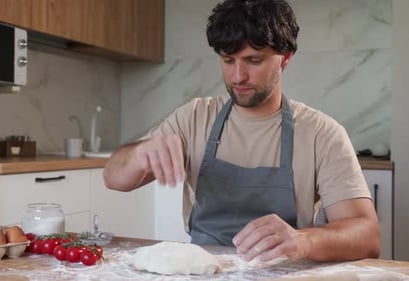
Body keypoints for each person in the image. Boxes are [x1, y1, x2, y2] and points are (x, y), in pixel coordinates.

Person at [103, 0, 380, 262]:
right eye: (228, 60)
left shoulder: (322, 134)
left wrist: (303, 240)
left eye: (253, 61)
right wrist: (139, 154)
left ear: (285, 58)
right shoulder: (195, 117)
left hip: (284, 272)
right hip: (204, 270)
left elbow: (367, 236)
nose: (238, 76)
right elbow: (113, 178)